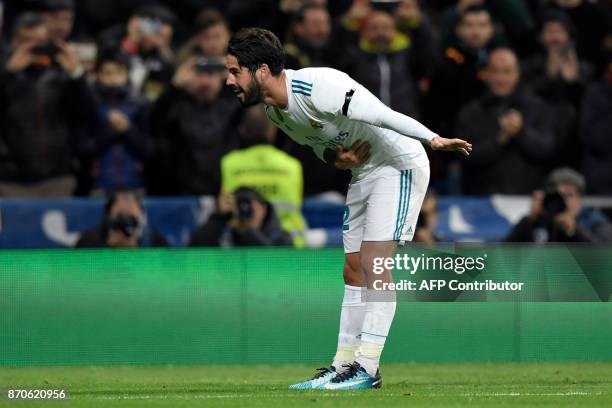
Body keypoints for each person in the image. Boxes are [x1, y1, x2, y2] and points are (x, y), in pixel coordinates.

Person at [225, 27, 471, 390]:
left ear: (261, 70)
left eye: (234, 71)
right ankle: (343, 365)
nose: (228, 79)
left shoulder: (318, 86)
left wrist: (431, 138)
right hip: (364, 171)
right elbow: (323, 148)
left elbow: (383, 115)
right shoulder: (276, 113)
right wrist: (336, 159)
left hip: (399, 162)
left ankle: (367, 367)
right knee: (353, 269)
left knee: (375, 263)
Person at [0, 12, 95, 197]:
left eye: (40, 41)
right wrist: (8, 73)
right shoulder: (5, 75)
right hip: (9, 181)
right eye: (27, 40)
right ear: (15, 41)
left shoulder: (61, 74)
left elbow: (88, 115)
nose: (34, 47)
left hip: (57, 179)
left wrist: (77, 74)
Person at [455, 47, 557, 195]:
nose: (501, 79)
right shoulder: (471, 111)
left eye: (507, 71)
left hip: (527, 200)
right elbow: (464, 155)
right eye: (496, 71)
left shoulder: (538, 108)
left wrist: (520, 132)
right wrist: (500, 140)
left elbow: (547, 150)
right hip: (481, 202)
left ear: (517, 74)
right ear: (486, 74)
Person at [149, 56, 240, 195]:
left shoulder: (230, 106)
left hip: (221, 191)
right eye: (199, 74)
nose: (205, 81)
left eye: (211, 74)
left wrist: (235, 78)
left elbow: (255, 114)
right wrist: (175, 86)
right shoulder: (177, 106)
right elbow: (154, 122)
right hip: (180, 192)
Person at [221, 105, 307, 247]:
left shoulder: (229, 163)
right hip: (289, 251)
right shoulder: (292, 166)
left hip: (240, 250)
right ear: (272, 131)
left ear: (242, 130)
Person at [80, 51, 152, 194]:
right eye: (107, 73)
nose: (113, 78)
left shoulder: (141, 105)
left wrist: (128, 129)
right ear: (98, 75)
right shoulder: (89, 105)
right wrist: (110, 130)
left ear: (127, 74)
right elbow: (84, 150)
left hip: (135, 185)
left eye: (118, 72)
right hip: (98, 186)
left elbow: (150, 150)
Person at [504, 168, 612, 243]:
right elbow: (502, 254)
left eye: (569, 195)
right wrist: (529, 222)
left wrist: (574, 231)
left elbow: (604, 258)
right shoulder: (539, 221)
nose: (563, 200)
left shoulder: (593, 222)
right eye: (558, 195)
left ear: (580, 199)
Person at [189, 187, 293, 247]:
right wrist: (219, 217)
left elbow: (276, 269)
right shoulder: (224, 235)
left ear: (263, 208)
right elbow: (195, 253)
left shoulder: (281, 237)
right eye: (239, 206)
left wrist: (249, 232)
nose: (244, 210)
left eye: (248, 205)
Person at [75, 190, 168, 248]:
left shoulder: (156, 242)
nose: (125, 224)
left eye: (131, 219)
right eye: (120, 217)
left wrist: (138, 255)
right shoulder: (89, 241)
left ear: (141, 217)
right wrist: (108, 249)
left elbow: (164, 275)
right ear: (109, 216)